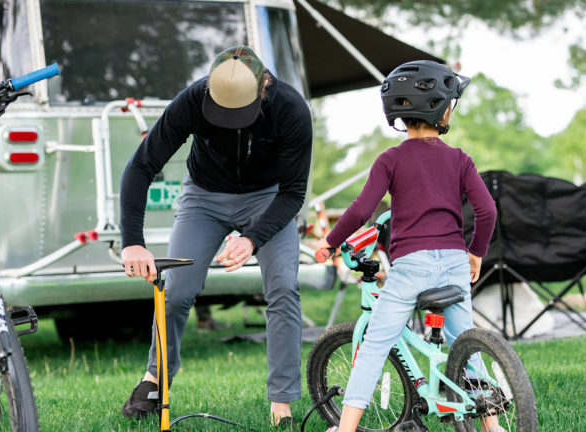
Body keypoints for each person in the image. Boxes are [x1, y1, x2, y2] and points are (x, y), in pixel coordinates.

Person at [118, 45, 312, 428]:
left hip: (268, 199)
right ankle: (155, 379)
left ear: (263, 87)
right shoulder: (192, 99)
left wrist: (252, 239)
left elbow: (293, 193)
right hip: (204, 197)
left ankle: (282, 402)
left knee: (284, 286)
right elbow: (141, 166)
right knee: (176, 290)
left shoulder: (291, 110)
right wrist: (132, 241)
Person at [314, 60, 500, 432]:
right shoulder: (459, 159)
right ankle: (492, 426)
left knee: (375, 345)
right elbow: (487, 210)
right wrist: (476, 252)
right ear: (442, 110)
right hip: (453, 262)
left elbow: (361, 210)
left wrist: (330, 242)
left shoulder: (390, 159)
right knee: (465, 343)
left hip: (411, 266)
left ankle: (346, 429)